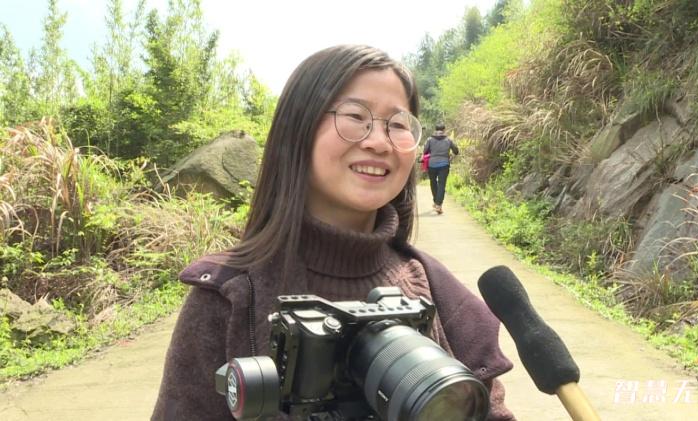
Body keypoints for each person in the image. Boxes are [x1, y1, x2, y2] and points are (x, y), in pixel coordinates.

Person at [151, 45, 515, 421]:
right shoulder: (229, 297)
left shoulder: (434, 285)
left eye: (398, 124)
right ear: (298, 130)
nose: (379, 142)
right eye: (356, 116)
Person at [422, 123, 459, 214]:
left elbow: (425, 151)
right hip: (444, 165)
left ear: (435, 130)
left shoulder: (430, 139)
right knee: (441, 184)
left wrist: (432, 151)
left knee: (433, 183)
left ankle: (436, 202)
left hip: (432, 165)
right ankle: (438, 204)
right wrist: (451, 155)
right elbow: (456, 151)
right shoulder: (448, 140)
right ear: (444, 130)